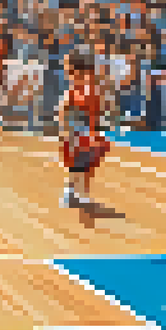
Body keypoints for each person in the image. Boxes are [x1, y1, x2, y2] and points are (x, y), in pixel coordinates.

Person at [58, 52, 113, 227]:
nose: (66, 70)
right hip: (78, 129)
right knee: (77, 160)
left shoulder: (87, 88)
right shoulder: (77, 88)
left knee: (83, 160)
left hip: (83, 129)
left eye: (68, 67)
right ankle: (74, 190)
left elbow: (88, 110)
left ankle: (79, 191)